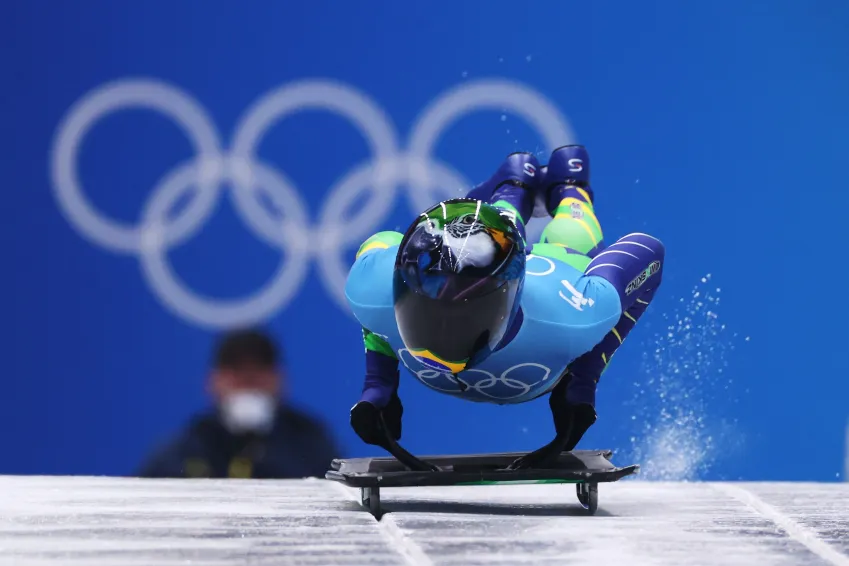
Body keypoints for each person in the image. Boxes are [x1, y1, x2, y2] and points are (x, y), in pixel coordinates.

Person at [344, 145, 664, 469]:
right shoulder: (372, 290)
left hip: (553, 280)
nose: (447, 326)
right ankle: (515, 187)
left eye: (469, 310)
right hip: (534, 314)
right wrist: (377, 384)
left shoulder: (572, 317)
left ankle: (564, 190)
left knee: (573, 235)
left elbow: (650, 252)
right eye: (427, 305)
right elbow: (380, 245)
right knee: (502, 240)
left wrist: (585, 377)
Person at [138, 328, 341, 478]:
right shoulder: (187, 447)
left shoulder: (310, 445)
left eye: (259, 370)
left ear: (280, 380)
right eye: (236, 370)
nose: (248, 379)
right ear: (212, 381)